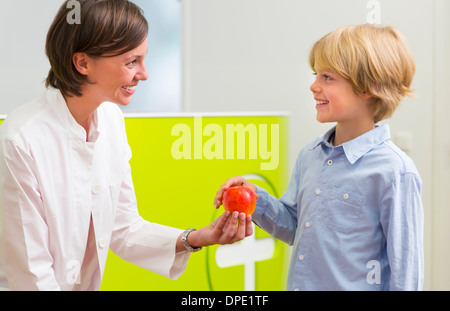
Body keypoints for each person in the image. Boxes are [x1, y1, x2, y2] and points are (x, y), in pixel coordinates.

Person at [0, 0, 252, 291]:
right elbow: (32, 275)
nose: (143, 74)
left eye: (144, 60)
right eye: (131, 62)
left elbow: (123, 227)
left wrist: (194, 238)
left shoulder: (111, 120)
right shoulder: (21, 140)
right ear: (82, 63)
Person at [214, 24, 424, 291]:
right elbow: (294, 226)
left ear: (369, 87)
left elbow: (406, 274)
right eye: (316, 75)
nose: (313, 86)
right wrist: (255, 200)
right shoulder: (310, 155)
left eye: (327, 77)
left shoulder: (395, 172)